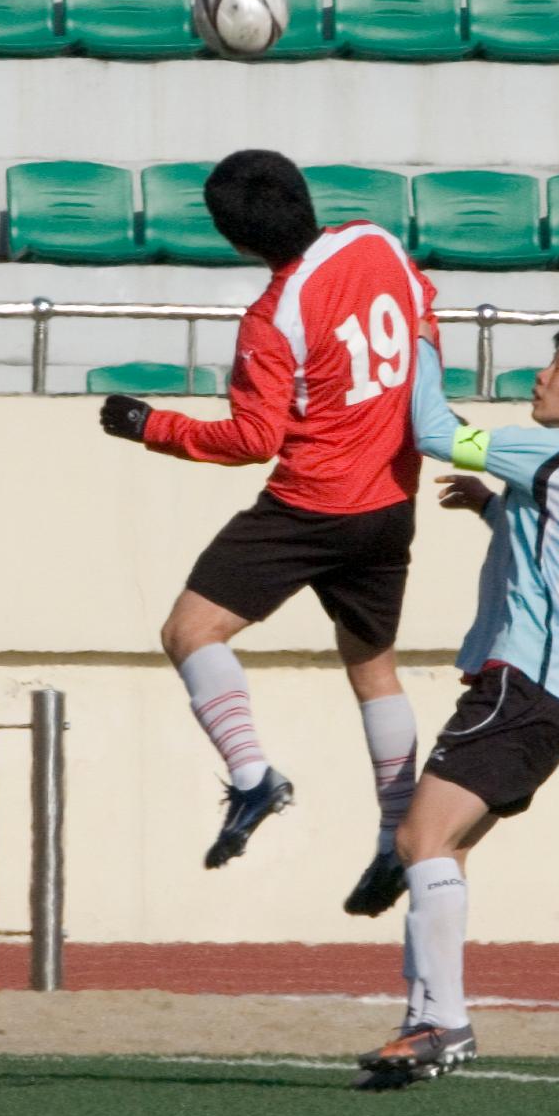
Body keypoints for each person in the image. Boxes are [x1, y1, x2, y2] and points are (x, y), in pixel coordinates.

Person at [99, 149, 439, 914]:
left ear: (236, 240)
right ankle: (396, 834)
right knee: (372, 665)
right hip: (390, 497)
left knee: (190, 632)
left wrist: (153, 424)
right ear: (303, 194)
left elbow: (254, 439)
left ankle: (253, 777)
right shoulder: (375, 242)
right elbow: (422, 319)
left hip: (311, 505)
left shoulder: (272, 317)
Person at [356, 324, 559, 1089]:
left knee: (419, 840)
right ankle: (424, 1020)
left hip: (521, 686)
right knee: (438, 852)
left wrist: (413, 337)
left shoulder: (555, 452)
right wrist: (492, 508)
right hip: (549, 693)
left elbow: (430, 431)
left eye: (558, 366)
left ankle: (442, 1022)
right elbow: (556, 550)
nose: (541, 375)